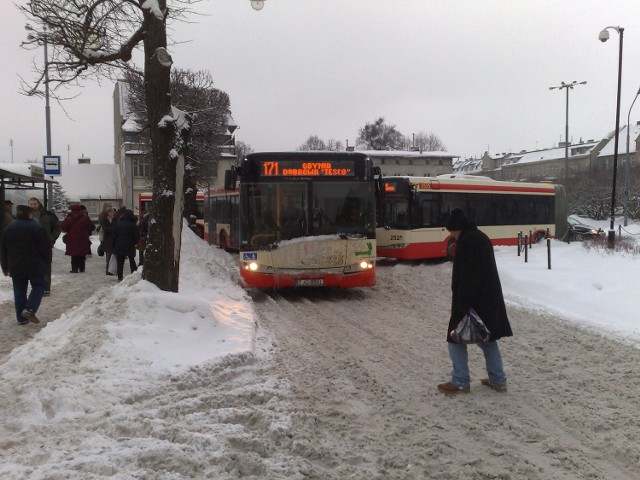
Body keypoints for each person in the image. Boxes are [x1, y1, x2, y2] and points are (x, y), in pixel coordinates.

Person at [437, 208, 513, 395]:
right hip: (487, 300)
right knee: (487, 339)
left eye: (452, 231)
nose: (452, 235)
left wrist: (462, 306)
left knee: (455, 339)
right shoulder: (480, 237)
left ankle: (460, 381)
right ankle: (498, 380)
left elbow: (469, 278)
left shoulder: (467, 242)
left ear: (457, 227)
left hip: (473, 302)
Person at [0, 204, 50, 325]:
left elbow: (3, 249)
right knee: (39, 286)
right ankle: (30, 309)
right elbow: (45, 249)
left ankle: (21, 319)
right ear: (30, 214)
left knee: (19, 291)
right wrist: (46, 263)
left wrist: (5, 266)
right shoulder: (37, 228)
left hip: (15, 266)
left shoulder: (8, 228)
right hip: (35, 265)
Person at [28, 197, 61, 296]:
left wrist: (51, 238)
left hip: (45, 245)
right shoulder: (26, 215)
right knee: (32, 266)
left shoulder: (48, 215)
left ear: (39, 204)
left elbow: (57, 227)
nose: (33, 206)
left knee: (46, 266)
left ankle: (46, 288)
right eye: (31, 204)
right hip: (30, 245)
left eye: (34, 204)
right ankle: (36, 287)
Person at [61, 205, 94, 273]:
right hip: (83, 238)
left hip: (72, 238)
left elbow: (64, 227)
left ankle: (74, 269)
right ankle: (82, 268)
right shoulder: (85, 217)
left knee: (74, 254)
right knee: (82, 253)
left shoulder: (69, 217)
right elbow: (91, 227)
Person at [111, 209, 139, 281]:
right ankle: (133, 274)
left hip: (119, 245)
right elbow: (136, 237)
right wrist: (135, 242)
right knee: (132, 260)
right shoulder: (134, 225)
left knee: (120, 262)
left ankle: (120, 277)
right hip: (130, 246)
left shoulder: (118, 224)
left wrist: (113, 244)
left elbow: (114, 235)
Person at [99, 207, 118, 276]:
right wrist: (111, 229)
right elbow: (105, 228)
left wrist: (111, 229)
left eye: (112, 212)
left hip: (114, 239)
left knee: (113, 255)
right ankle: (108, 270)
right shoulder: (105, 220)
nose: (112, 213)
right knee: (108, 255)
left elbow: (117, 227)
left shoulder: (115, 219)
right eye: (110, 212)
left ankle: (112, 270)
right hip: (107, 239)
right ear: (108, 213)